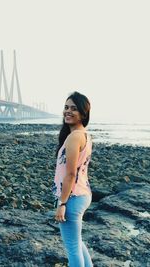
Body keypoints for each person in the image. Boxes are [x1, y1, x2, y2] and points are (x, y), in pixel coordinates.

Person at [53, 91, 93, 267]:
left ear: (83, 114)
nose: (68, 111)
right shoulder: (84, 134)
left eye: (74, 109)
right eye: (66, 107)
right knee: (76, 242)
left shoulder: (74, 137)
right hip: (82, 194)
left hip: (72, 197)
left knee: (72, 248)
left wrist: (62, 203)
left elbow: (71, 174)